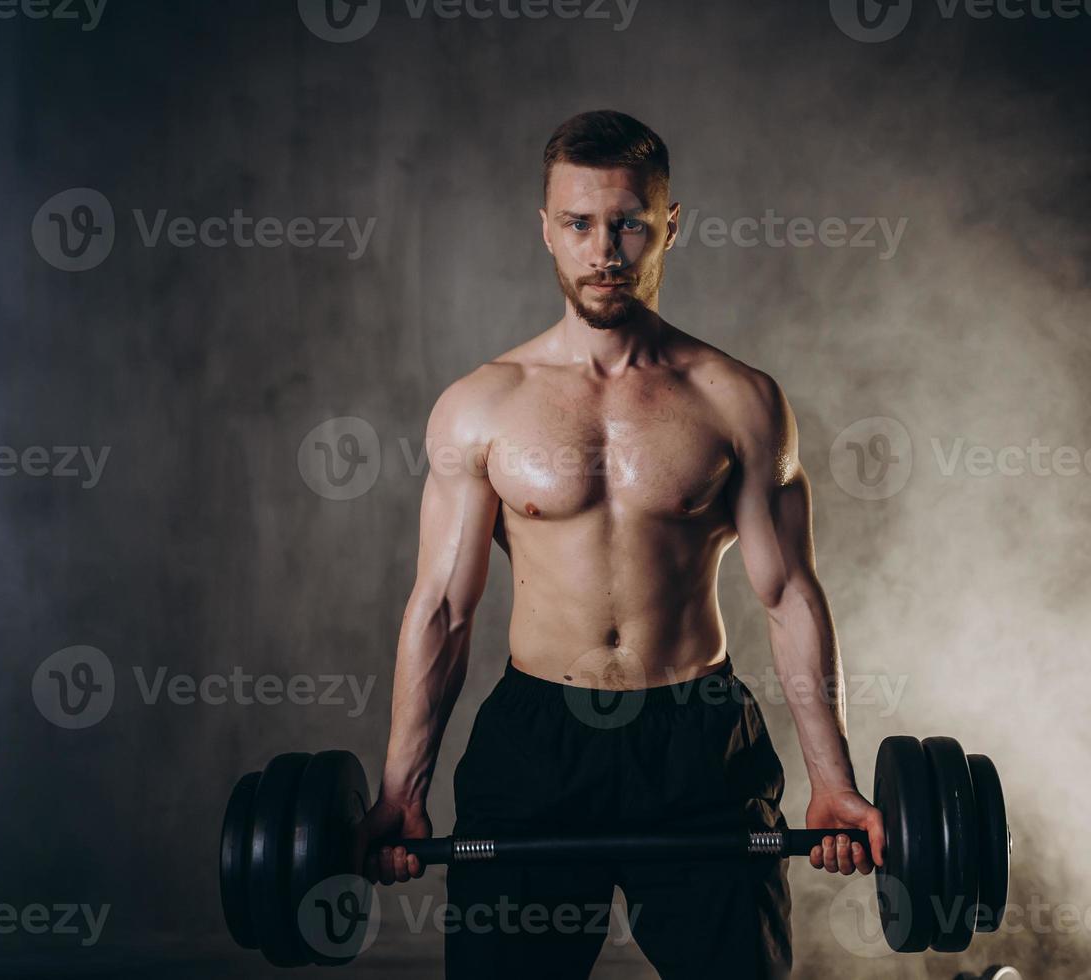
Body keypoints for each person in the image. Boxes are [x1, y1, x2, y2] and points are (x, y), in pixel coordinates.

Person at [353, 109, 885, 979]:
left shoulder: (737, 400)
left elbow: (788, 596)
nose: (606, 249)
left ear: (670, 224)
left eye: (630, 222)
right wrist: (400, 792)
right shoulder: (482, 404)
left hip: (698, 742)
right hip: (536, 742)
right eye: (580, 224)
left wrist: (831, 780)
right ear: (547, 231)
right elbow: (444, 608)